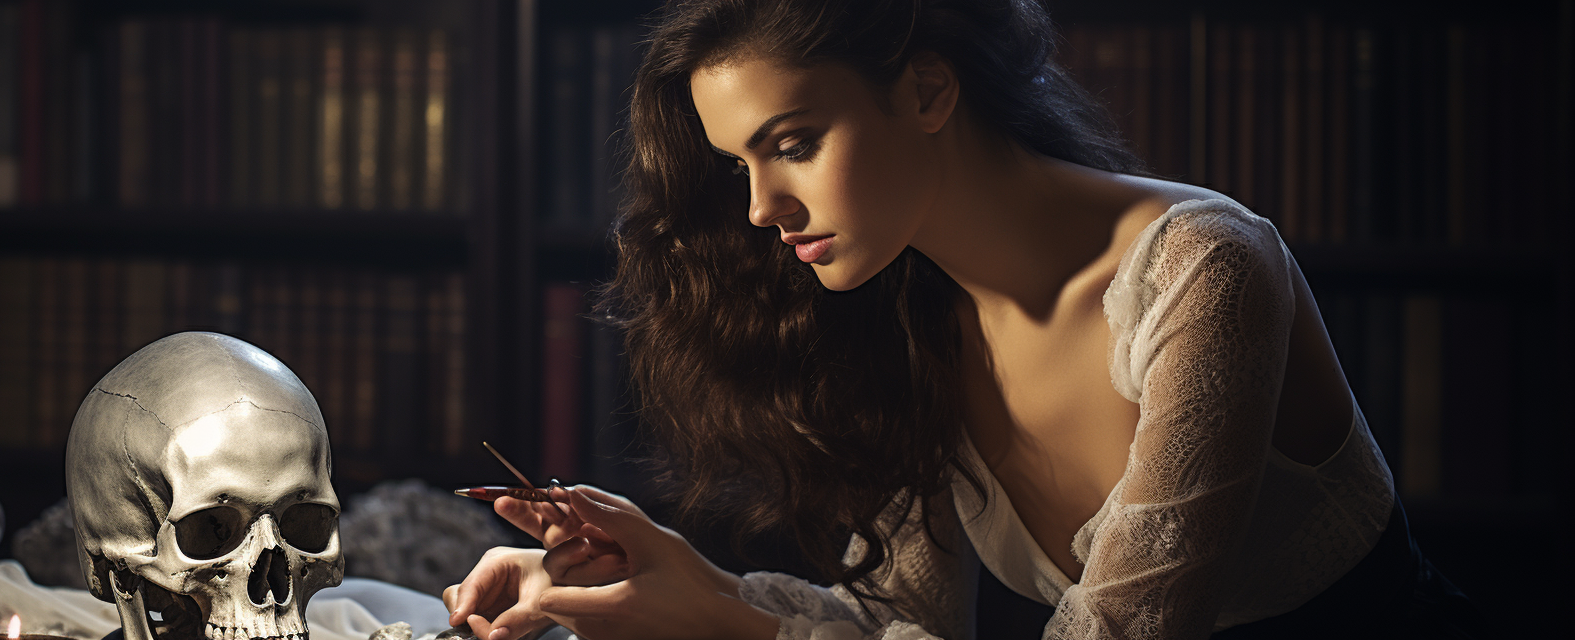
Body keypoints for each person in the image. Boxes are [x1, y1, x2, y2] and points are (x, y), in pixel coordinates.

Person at [443, 0, 1476, 638]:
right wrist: (675, 581)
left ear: (927, 88)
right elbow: (900, 629)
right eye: (738, 166)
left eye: (791, 143)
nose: (759, 208)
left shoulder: (1200, 269)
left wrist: (720, 619)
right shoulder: (903, 310)